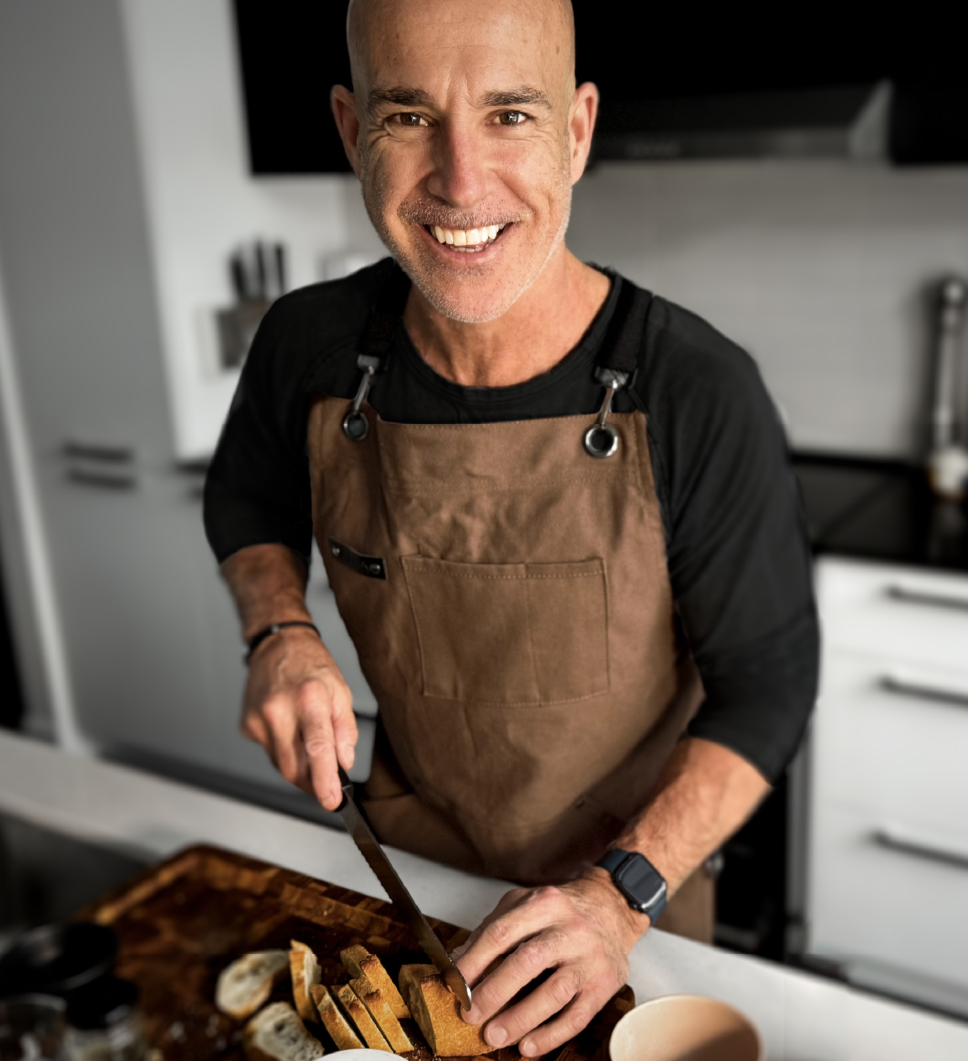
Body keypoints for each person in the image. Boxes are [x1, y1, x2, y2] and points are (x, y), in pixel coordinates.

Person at [203, 0, 818, 1053]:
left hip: (634, 899)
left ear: (576, 131)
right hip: (410, 878)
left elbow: (766, 681)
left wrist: (618, 896)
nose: (459, 180)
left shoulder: (693, 388)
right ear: (351, 129)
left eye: (507, 115)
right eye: (407, 117)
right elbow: (248, 496)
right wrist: (277, 630)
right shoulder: (306, 342)